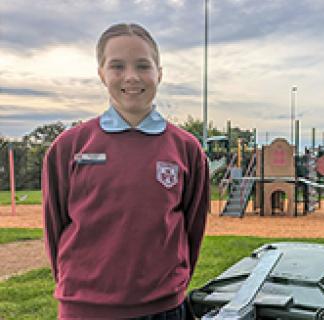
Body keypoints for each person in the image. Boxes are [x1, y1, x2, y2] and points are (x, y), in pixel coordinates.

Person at [42, 23, 209, 319]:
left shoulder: (187, 149)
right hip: (84, 310)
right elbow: (54, 229)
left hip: (165, 309)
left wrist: (170, 288)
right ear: (101, 73)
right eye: (117, 66)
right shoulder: (68, 146)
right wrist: (81, 292)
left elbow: (192, 229)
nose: (131, 77)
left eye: (143, 66)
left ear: (160, 72)